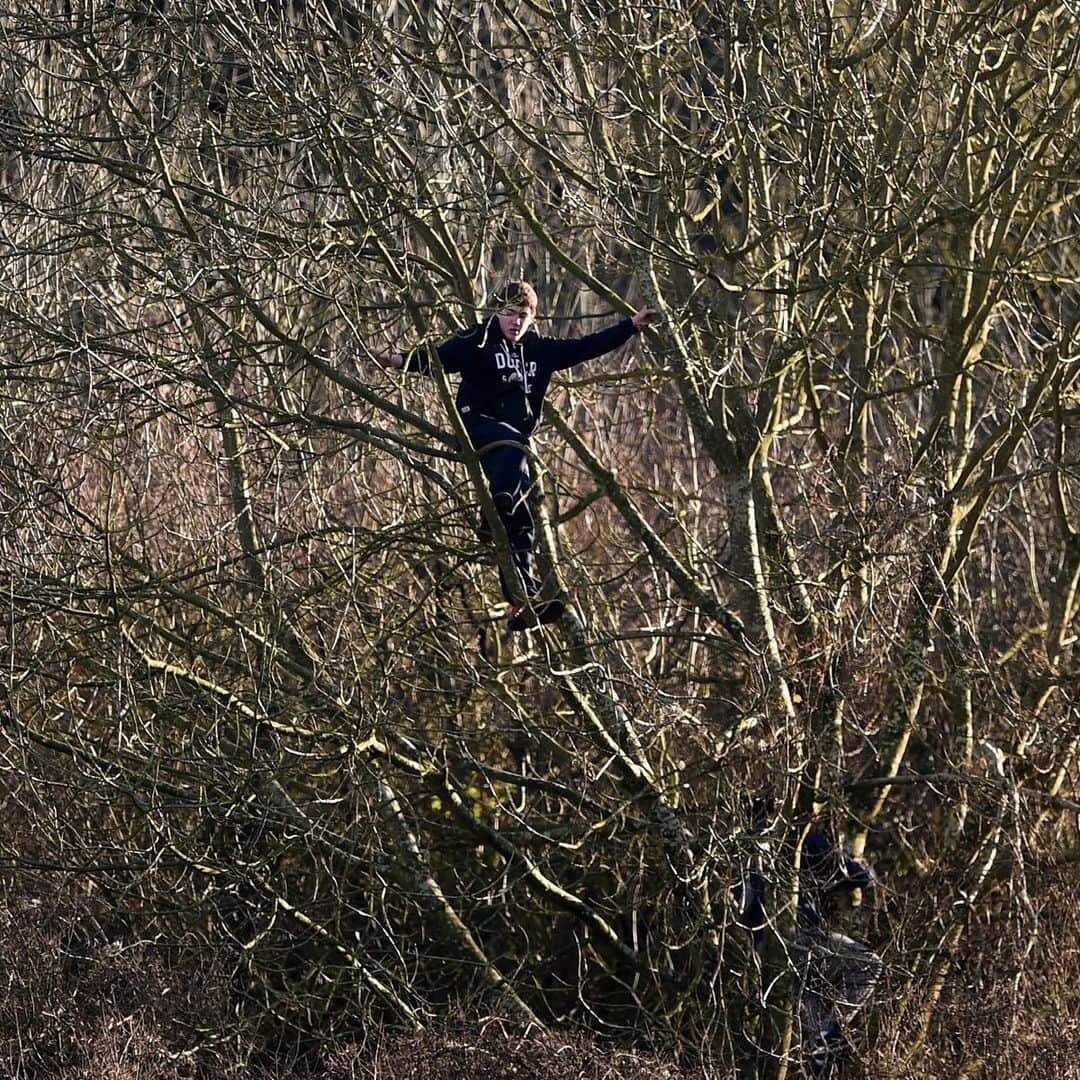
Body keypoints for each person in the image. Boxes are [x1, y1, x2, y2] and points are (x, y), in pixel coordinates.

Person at [374, 281, 656, 630]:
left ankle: (522, 602)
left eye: (522, 315)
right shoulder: (477, 340)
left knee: (521, 517)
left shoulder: (540, 349)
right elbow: (438, 359)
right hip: (478, 425)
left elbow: (586, 346)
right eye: (508, 314)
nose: (515, 322)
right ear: (496, 312)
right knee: (513, 457)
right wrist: (396, 360)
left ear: (532, 317)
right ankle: (494, 511)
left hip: (513, 447)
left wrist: (629, 326)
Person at [736, 827, 883, 1077]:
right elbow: (862, 877)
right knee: (867, 964)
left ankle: (817, 1047)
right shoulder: (799, 834)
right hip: (800, 939)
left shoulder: (739, 841)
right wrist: (848, 856)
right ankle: (830, 1034)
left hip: (763, 948)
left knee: (806, 1034)